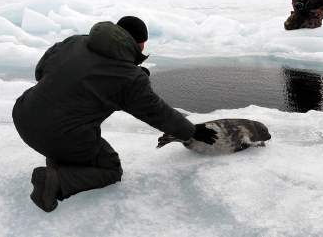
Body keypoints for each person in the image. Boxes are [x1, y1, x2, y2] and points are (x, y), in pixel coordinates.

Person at [12, 16, 218, 212]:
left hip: (23, 114)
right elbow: (156, 112)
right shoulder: (129, 78)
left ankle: (58, 163)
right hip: (60, 135)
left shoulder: (75, 41)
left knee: (68, 131)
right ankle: (56, 181)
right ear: (140, 44)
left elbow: (40, 71)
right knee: (110, 168)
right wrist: (191, 131)